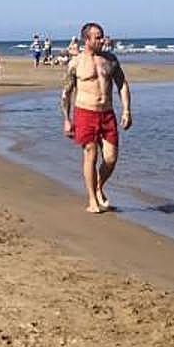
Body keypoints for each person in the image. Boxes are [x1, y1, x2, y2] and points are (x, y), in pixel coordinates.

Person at [61, 22, 133, 214]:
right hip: (85, 112)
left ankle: (99, 186)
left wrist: (126, 110)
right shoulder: (76, 63)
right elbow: (66, 93)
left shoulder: (110, 60)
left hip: (107, 113)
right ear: (87, 39)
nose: (102, 40)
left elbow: (122, 85)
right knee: (90, 154)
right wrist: (67, 119)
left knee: (110, 159)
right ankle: (92, 199)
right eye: (98, 37)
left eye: (102, 36)